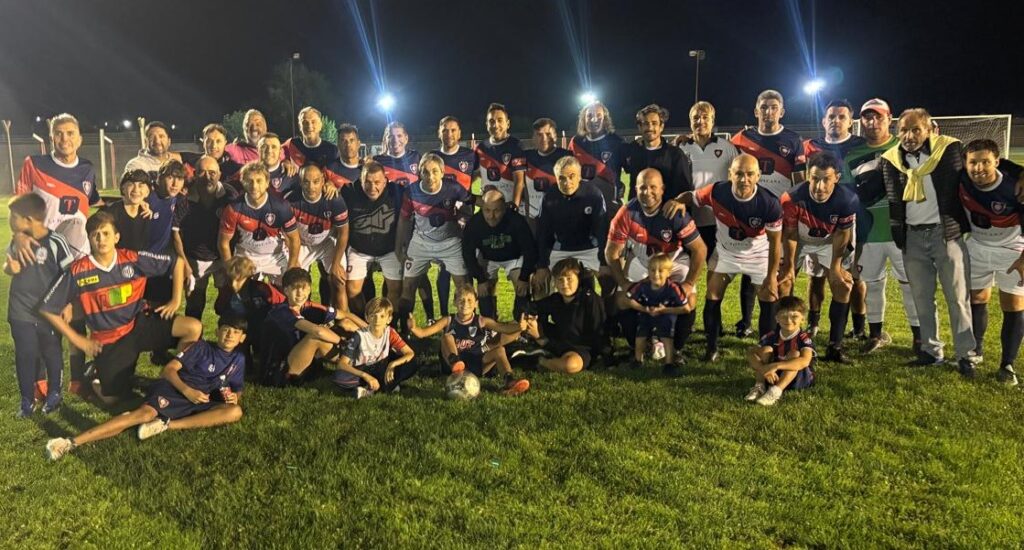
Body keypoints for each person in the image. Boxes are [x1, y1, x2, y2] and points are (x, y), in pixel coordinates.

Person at [39, 211, 202, 403]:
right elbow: (47, 308)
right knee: (112, 400)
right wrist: (79, 340)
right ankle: (94, 376)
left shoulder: (131, 259)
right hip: (109, 340)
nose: (101, 239)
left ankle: (177, 381)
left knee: (193, 328)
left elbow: (177, 262)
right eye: (95, 235)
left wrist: (175, 300)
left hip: (137, 324)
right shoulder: (78, 270)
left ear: (116, 237)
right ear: (89, 239)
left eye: (106, 233)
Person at [44, 315, 249, 461]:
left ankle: (166, 424)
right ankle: (70, 442)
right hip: (177, 390)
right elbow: (168, 370)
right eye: (226, 330)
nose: (230, 335)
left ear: (242, 338)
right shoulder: (201, 347)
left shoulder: (238, 359)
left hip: (200, 400)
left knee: (235, 411)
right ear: (217, 331)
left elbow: (237, 388)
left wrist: (235, 396)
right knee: (142, 415)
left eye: (236, 332)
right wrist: (187, 391)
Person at [876, 108, 978, 375]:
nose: (909, 136)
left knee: (957, 298)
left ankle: (966, 354)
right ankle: (931, 351)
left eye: (915, 130)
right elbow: (873, 190)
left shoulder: (949, 150)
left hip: (945, 234)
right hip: (912, 236)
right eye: (904, 130)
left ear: (930, 130)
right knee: (922, 298)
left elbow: (981, 160)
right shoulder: (890, 160)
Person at [15, 113, 101, 390]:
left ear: (80, 139)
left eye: (70, 133)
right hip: (43, 257)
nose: (65, 138)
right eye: (59, 133)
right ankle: (42, 380)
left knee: (77, 317)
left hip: (77, 257)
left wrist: (135, 202)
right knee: (43, 319)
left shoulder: (87, 169)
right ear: (51, 137)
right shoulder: (34, 164)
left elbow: (94, 203)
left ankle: (76, 379)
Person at [683, 154, 783, 362]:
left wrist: (772, 276)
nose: (744, 179)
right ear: (730, 174)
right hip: (726, 253)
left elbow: (775, 244)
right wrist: (676, 202)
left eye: (750, 174)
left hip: (758, 255)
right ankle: (711, 349)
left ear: (758, 176)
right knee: (712, 294)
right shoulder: (717, 191)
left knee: (769, 296)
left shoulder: (770, 203)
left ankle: (766, 349)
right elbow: (691, 196)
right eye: (739, 174)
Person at [606, 168, 706, 363]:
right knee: (622, 299)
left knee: (688, 301)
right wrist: (624, 283)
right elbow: (611, 252)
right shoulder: (627, 213)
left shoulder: (675, 212)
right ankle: (637, 346)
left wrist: (688, 283)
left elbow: (700, 249)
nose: (648, 192)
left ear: (662, 189)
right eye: (643, 187)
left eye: (653, 187)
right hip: (642, 261)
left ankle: (676, 348)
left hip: (673, 261)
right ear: (636, 189)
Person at [729, 90, 806, 338]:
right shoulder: (741, 139)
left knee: (781, 269)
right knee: (750, 267)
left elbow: (799, 180)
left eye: (773, 107)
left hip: (780, 215)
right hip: (749, 213)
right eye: (764, 107)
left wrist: (797, 211)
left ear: (782, 112)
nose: (768, 112)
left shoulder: (793, 140)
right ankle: (745, 321)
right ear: (756, 111)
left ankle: (781, 323)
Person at [849, 98, 921, 353]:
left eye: (878, 116)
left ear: (889, 119)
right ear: (861, 121)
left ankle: (919, 337)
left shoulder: (905, 148)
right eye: (867, 117)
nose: (873, 122)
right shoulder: (852, 156)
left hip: (904, 231)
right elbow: (850, 197)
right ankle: (876, 335)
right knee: (872, 284)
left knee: (910, 284)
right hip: (869, 233)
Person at [779, 152, 860, 363]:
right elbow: (790, 234)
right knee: (783, 282)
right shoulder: (791, 197)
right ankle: (781, 342)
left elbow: (842, 234)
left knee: (842, 285)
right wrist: (788, 267)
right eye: (815, 178)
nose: (819, 186)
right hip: (799, 238)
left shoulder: (847, 199)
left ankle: (835, 346)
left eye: (826, 179)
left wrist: (836, 267)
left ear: (837, 178)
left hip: (829, 240)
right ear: (808, 175)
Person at [801, 99, 869, 338]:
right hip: (817, 221)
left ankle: (859, 327)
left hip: (851, 221)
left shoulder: (862, 145)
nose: (836, 121)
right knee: (816, 276)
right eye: (831, 116)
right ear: (823, 121)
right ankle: (813, 324)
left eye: (841, 117)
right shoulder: (811, 146)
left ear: (851, 122)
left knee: (852, 276)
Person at [960, 139, 1024, 385]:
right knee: (976, 299)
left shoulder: (1014, 187)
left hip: (1012, 250)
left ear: (997, 162)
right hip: (977, 246)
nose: (979, 168)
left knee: (1013, 304)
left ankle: (1007, 365)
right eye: (973, 162)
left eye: (985, 162)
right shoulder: (962, 179)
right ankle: (975, 351)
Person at [6, 193, 75, 417]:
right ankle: (27, 400)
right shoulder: (17, 241)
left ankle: (54, 394)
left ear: (28, 219)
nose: (10, 220)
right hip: (20, 310)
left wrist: (68, 303)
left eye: (13, 216)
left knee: (51, 351)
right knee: (25, 354)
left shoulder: (56, 242)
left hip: (50, 312)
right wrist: (10, 269)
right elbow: (9, 265)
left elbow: (69, 274)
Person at [394, 153, 474, 329]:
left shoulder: (454, 188)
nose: (430, 176)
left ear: (443, 172)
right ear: (419, 173)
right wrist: (399, 247)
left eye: (435, 171)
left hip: (450, 243)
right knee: (408, 287)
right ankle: (405, 330)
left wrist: (463, 218)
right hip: (421, 243)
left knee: (463, 286)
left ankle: (466, 329)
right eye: (426, 172)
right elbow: (404, 220)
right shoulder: (411, 191)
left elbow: (469, 205)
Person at [409, 285, 530, 396]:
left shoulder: (481, 321)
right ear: (454, 302)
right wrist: (414, 328)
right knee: (447, 337)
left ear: (476, 303)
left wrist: (519, 327)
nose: (465, 303)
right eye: (461, 300)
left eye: (469, 300)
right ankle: (455, 362)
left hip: (476, 362)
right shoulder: (448, 320)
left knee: (500, 350)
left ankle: (509, 381)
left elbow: (503, 328)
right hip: (452, 366)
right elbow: (423, 333)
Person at [174, 155, 239, 319]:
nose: (207, 177)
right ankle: (194, 335)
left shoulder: (229, 195)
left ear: (219, 174)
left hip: (222, 258)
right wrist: (184, 263)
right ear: (195, 174)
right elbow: (175, 232)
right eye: (202, 172)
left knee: (227, 306)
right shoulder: (184, 197)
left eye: (212, 172)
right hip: (194, 259)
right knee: (194, 306)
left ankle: (224, 336)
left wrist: (231, 261)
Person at [271, 268, 362, 383]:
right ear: (286, 291)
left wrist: (369, 330)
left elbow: (346, 315)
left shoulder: (308, 306)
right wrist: (345, 344)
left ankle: (361, 361)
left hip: (297, 356)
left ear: (309, 289)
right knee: (315, 337)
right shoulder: (282, 311)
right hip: (277, 371)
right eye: (295, 288)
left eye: (304, 288)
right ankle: (355, 362)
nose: (300, 293)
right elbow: (319, 332)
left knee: (344, 324)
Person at [533, 155, 607, 296]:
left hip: (589, 248)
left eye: (571, 176)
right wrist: (542, 265)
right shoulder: (549, 197)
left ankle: (602, 310)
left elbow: (602, 230)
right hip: (560, 248)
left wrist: (603, 262)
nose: (567, 182)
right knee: (539, 285)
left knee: (608, 280)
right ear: (556, 178)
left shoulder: (594, 195)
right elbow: (542, 232)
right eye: (561, 178)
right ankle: (544, 311)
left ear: (579, 176)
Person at [677, 101, 739, 260]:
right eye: (696, 118)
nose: (700, 121)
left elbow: (738, 180)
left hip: (718, 219)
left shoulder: (727, 147)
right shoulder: (681, 148)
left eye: (705, 117)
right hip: (689, 219)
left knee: (717, 266)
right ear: (690, 121)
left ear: (713, 120)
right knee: (688, 267)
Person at [218, 161, 301, 281]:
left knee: (289, 287)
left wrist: (292, 266)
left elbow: (294, 239)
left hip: (276, 256)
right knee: (242, 291)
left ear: (267, 183)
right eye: (249, 181)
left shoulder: (281, 207)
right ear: (243, 182)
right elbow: (223, 242)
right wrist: (229, 268)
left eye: (259, 181)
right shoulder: (233, 209)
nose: (254, 186)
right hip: (246, 257)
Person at [461, 189, 536, 321]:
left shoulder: (516, 220)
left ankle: (519, 323)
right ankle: (489, 325)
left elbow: (529, 249)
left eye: (497, 211)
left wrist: (524, 277)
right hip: (488, 258)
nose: (491, 216)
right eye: (487, 210)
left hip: (514, 258)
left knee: (523, 289)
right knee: (483, 292)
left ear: (504, 209)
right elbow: (467, 253)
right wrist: (481, 279)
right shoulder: (475, 223)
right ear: (482, 208)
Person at [521, 258, 606, 374]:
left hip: (582, 347)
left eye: (569, 279)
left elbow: (599, 332)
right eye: (560, 279)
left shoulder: (590, 299)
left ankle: (539, 360)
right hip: (560, 339)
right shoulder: (556, 299)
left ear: (578, 279)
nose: (564, 284)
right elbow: (531, 307)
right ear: (555, 283)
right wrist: (531, 321)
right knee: (525, 322)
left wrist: (541, 339)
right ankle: (503, 347)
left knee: (570, 365)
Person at [432, 115, 480, 319]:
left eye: (453, 130)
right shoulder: (433, 156)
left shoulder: (470, 155)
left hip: (466, 219)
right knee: (444, 267)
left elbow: (477, 176)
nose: (449, 134)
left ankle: (470, 316)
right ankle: (445, 316)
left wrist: (466, 195)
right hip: (443, 219)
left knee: (467, 265)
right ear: (439, 133)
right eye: (445, 130)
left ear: (459, 133)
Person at [342, 161, 405, 316]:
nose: (372, 187)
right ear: (360, 180)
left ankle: (388, 324)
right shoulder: (349, 191)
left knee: (396, 289)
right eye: (367, 182)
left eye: (377, 182)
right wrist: (328, 186)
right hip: (359, 249)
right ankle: (364, 322)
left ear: (385, 181)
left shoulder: (397, 192)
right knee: (352, 290)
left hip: (389, 250)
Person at [287, 164, 349, 310]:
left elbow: (343, 232)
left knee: (339, 280)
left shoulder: (335, 199)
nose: (311, 187)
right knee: (295, 283)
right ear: (300, 182)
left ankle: (342, 321)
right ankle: (299, 319)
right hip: (301, 244)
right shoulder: (291, 201)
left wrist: (336, 264)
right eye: (306, 182)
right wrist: (294, 259)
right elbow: (287, 234)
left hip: (327, 242)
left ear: (323, 181)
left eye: (315, 181)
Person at [332, 297, 418, 398]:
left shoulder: (390, 332)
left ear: (389, 319)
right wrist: (365, 375)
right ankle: (387, 386)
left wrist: (393, 364)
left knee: (412, 363)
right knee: (339, 377)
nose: (377, 320)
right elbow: (341, 364)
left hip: (382, 368)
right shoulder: (359, 335)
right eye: (373, 316)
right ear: (367, 318)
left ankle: (370, 389)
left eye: (382, 316)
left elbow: (410, 353)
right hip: (363, 369)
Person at [214, 256, 286, 371]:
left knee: (265, 348)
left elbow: (280, 303)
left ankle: (265, 364)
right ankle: (243, 364)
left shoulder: (261, 289)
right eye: (230, 279)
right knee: (242, 358)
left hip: (261, 326)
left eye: (238, 280)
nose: (234, 284)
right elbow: (219, 309)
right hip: (239, 328)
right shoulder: (227, 290)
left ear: (248, 277)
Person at [624, 254, 690, 376]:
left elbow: (686, 308)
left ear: (669, 273)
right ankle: (638, 360)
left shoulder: (674, 288)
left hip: (666, 314)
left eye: (660, 271)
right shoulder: (643, 285)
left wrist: (665, 310)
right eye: (652, 270)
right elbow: (629, 300)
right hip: (647, 313)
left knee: (667, 337)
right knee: (640, 335)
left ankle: (669, 364)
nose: (656, 274)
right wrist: (644, 309)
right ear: (648, 271)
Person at [744, 295, 816, 407]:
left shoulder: (804, 338)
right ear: (776, 318)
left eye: (794, 316)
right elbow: (750, 352)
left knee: (795, 353)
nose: (788, 320)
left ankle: (775, 391)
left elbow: (805, 361)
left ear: (803, 319)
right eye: (783, 316)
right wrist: (764, 369)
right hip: (773, 376)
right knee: (765, 350)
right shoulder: (772, 335)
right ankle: (760, 387)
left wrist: (775, 366)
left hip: (800, 379)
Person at [621, 104, 693, 203]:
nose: (650, 127)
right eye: (645, 123)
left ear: (661, 126)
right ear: (640, 127)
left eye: (654, 123)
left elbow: (684, 190)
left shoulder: (675, 155)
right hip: (638, 211)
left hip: (666, 211)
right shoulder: (633, 151)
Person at [568, 101, 625, 210]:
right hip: (581, 204)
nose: (594, 119)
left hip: (609, 205)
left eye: (599, 115)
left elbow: (633, 168)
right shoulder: (575, 142)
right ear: (583, 119)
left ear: (605, 119)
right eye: (589, 115)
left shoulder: (617, 142)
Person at [474, 102, 526, 209]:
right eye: (491, 121)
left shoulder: (515, 145)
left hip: (508, 207)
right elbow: (472, 176)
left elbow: (519, 181)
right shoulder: (480, 148)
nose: (495, 125)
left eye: (500, 120)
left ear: (508, 124)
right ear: (487, 125)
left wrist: (514, 208)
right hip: (488, 209)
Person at [523, 117, 572, 230]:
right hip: (534, 218)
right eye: (539, 134)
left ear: (555, 135)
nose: (544, 138)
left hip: (561, 218)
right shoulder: (526, 157)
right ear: (533, 137)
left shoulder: (567, 157)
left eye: (548, 134)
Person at [103, 169, 152, 252]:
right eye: (131, 184)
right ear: (123, 189)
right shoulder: (110, 214)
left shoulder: (148, 213)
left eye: (140, 185)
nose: (136, 190)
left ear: (147, 192)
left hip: (141, 258)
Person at [260, 132, 300, 199]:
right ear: (258, 149)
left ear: (280, 151)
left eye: (274, 147)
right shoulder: (249, 175)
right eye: (264, 146)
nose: (269, 150)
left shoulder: (291, 175)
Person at [325, 123, 364, 188]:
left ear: (358, 144)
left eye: (352, 140)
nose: (348, 144)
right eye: (343, 141)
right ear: (338, 144)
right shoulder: (329, 169)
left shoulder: (367, 168)